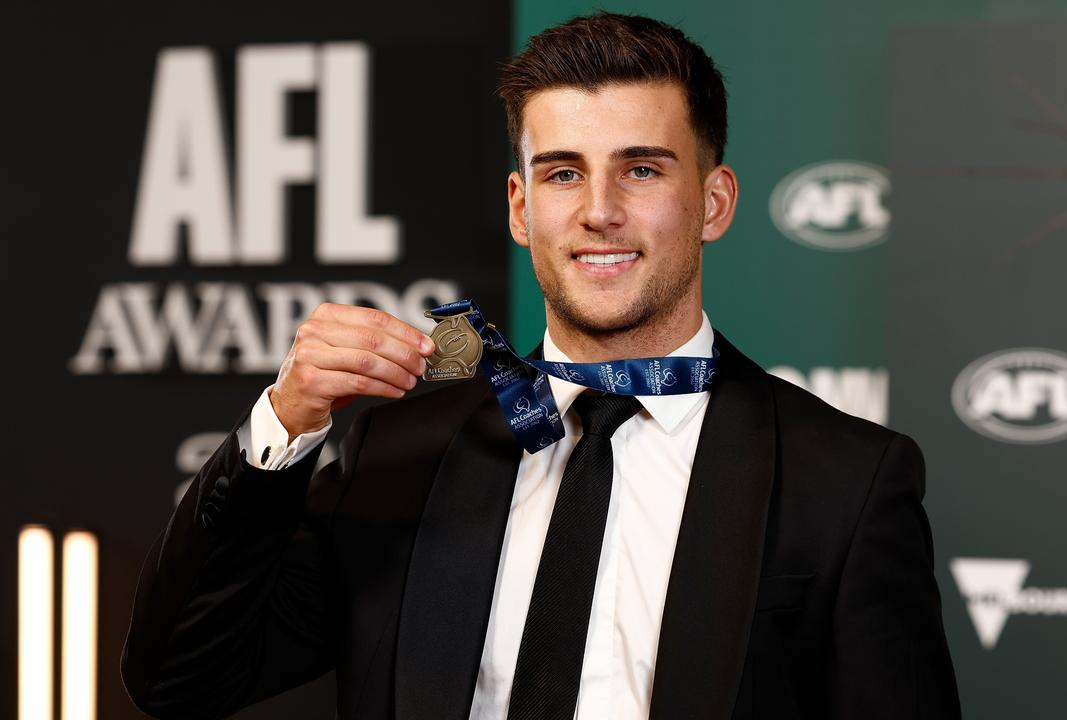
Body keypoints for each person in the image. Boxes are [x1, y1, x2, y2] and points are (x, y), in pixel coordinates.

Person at [121, 11, 960, 720]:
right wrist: (286, 422)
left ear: (713, 202)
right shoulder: (402, 455)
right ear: (522, 209)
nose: (598, 211)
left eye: (640, 168)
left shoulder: (846, 480)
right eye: (563, 173)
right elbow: (179, 678)